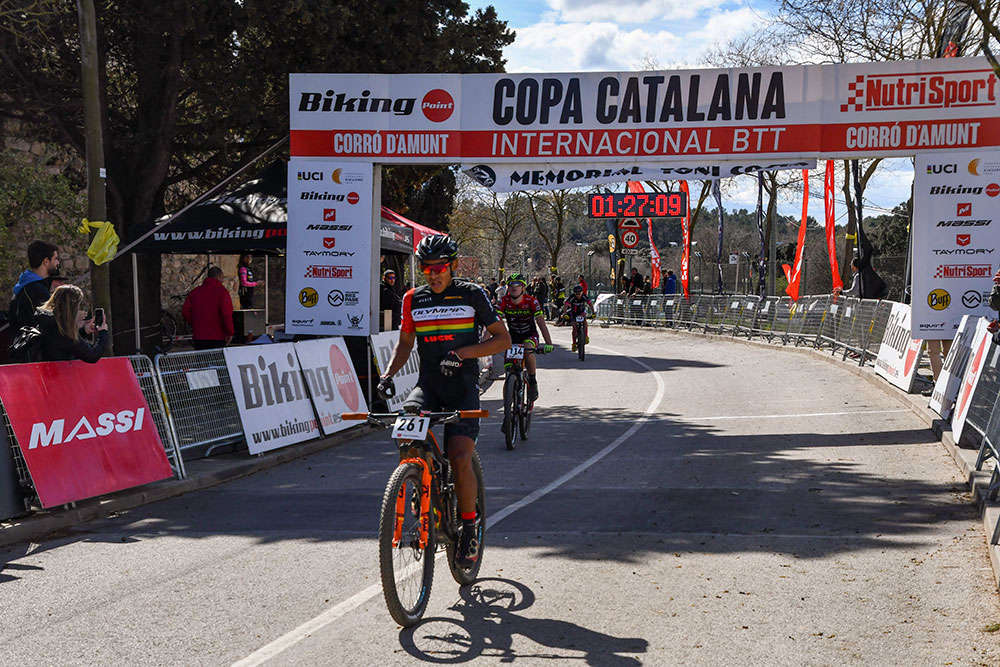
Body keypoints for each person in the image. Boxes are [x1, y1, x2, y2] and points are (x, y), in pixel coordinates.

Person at [378, 235, 511, 569]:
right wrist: (387, 376)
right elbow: (405, 345)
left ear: (451, 266)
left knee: (459, 454)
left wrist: (463, 353)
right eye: (426, 268)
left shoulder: (471, 294)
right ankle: (415, 480)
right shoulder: (413, 299)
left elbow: (502, 339)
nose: (433, 274)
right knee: (406, 425)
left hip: (462, 387)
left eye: (439, 268)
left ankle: (469, 527)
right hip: (429, 386)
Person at [496, 273, 554, 402]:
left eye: (518, 284)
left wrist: (549, 343)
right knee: (509, 370)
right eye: (510, 285)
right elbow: (495, 322)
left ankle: (532, 381)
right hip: (512, 337)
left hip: (529, 335)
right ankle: (508, 408)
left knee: (528, 350)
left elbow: (541, 323)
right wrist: (486, 341)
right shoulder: (503, 301)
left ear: (523, 287)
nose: (514, 287)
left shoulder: (531, 301)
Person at [33, 284, 108, 362]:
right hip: (57, 372)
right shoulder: (63, 330)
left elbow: (66, 343)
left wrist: (83, 331)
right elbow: (92, 356)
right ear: (73, 307)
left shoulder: (46, 321)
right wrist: (103, 333)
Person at [8, 240, 60, 330]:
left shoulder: (24, 286)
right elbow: (50, 327)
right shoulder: (37, 291)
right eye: (56, 259)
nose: (58, 263)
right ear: (46, 261)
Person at [182, 266, 234, 350]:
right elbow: (226, 315)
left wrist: (195, 322)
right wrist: (230, 332)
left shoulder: (195, 292)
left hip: (199, 336)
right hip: (218, 337)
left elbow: (185, 311)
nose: (223, 280)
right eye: (222, 278)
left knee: (201, 361)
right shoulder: (222, 292)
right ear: (219, 277)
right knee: (216, 362)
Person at [562, 284, 595, 351]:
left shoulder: (584, 296)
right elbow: (566, 305)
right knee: (574, 327)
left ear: (582, 292)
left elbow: (590, 304)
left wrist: (593, 312)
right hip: (574, 313)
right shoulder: (572, 297)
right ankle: (574, 344)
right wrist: (565, 314)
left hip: (581, 312)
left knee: (585, 322)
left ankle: (585, 336)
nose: (578, 295)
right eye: (576, 293)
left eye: (579, 293)